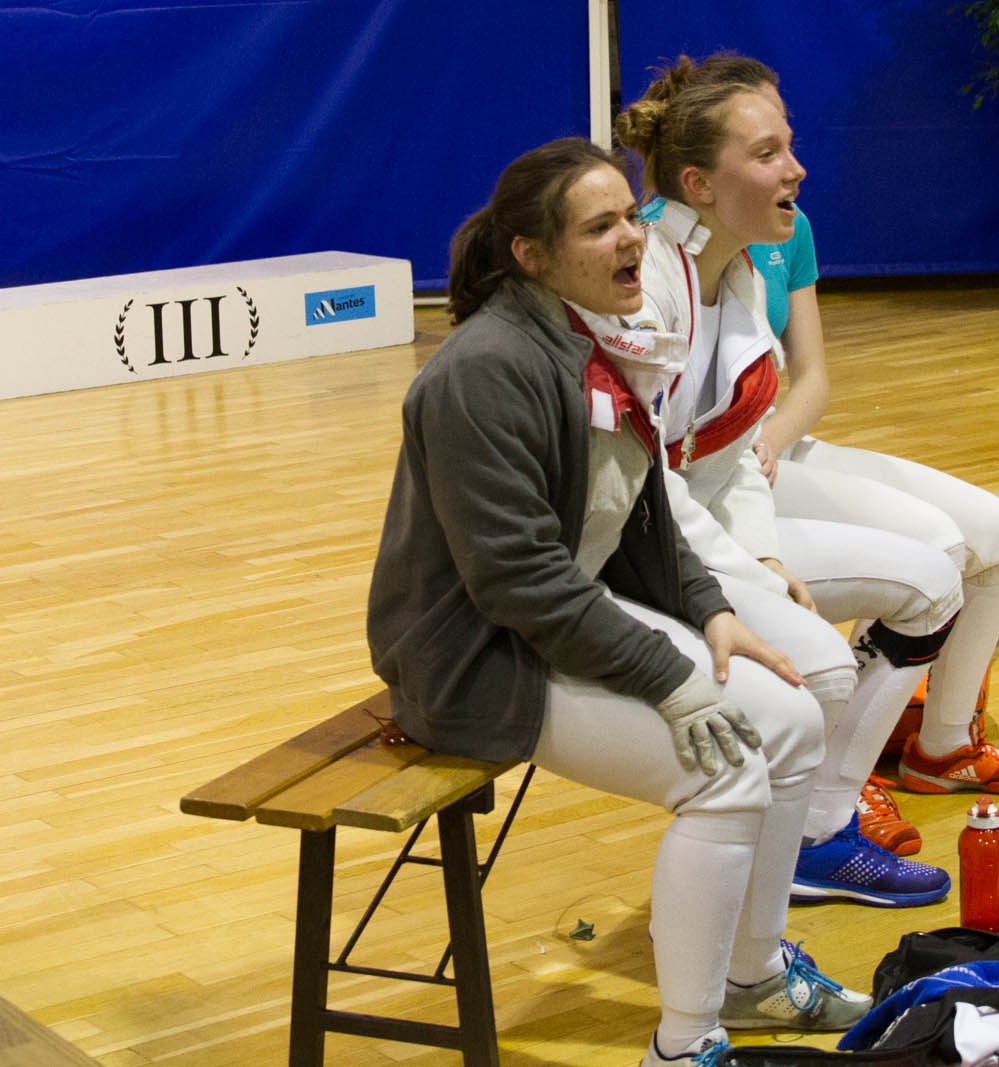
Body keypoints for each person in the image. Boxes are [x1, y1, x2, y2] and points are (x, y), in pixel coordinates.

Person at [365, 137, 870, 1066]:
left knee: (796, 723)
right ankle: (683, 1044)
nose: (631, 239)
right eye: (598, 228)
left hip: (558, 619)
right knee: (726, 770)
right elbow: (516, 579)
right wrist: (670, 677)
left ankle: (753, 975)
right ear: (532, 255)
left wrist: (710, 609)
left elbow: (641, 507)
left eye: (629, 217)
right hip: (477, 657)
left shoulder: (592, 331)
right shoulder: (483, 371)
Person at [613, 56, 999, 884]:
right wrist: (747, 568)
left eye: (789, 142)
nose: (797, 169)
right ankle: (813, 825)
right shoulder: (650, 282)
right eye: (767, 151)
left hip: (710, 510)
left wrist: (763, 551)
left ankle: (846, 806)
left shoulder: (738, 267)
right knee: (844, 642)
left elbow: (736, 452)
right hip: (641, 545)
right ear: (697, 183)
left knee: (964, 557)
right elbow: (641, 478)